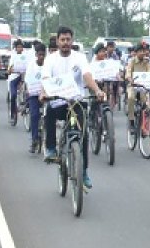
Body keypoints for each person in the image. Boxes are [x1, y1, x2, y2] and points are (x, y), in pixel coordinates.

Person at [41, 26, 106, 188]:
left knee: (82, 136)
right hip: (58, 101)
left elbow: (87, 76)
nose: (65, 43)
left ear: (72, 41)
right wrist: (43, 93)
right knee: (48, 111)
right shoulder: (51, 59)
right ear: (57, 41)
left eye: (68, 39)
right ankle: (50, 148)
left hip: (77, 101)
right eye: (62, 40)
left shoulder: (80, 57)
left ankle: (83, 172)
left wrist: (97, 90)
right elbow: (46, 79)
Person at [125, 43, 150, 131]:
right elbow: (128, 72)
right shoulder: (132, 61)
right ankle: (131, 121)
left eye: (143, 51)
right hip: (133, 85)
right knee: (130, 98)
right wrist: (130, 79)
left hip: (143, 86)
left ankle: (144, 124)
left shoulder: (147, 61)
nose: (142, 53)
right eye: (140, 51)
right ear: (136, 52)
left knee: (147, 104)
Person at [26, 43, 47, 153]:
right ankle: (34, 139)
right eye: (40, 55)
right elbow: (28, 80)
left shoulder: (48, 65)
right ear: (36, 54)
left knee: (50, 116)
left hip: (47, 95)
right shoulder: (31, 66)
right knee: (34, 116)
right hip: (34, 95)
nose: (41, 57)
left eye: (43, 55)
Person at [8, 39, 29, 123]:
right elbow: (9, 69)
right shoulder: (13, 56)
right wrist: (11, 70)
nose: (20, 48)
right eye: (18, 47)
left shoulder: (26, 56)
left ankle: (26, 108)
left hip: (23, 77)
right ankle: (13, 114)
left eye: (21, 47)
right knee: (13, 96)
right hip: (14, 78)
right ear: (15, 48)